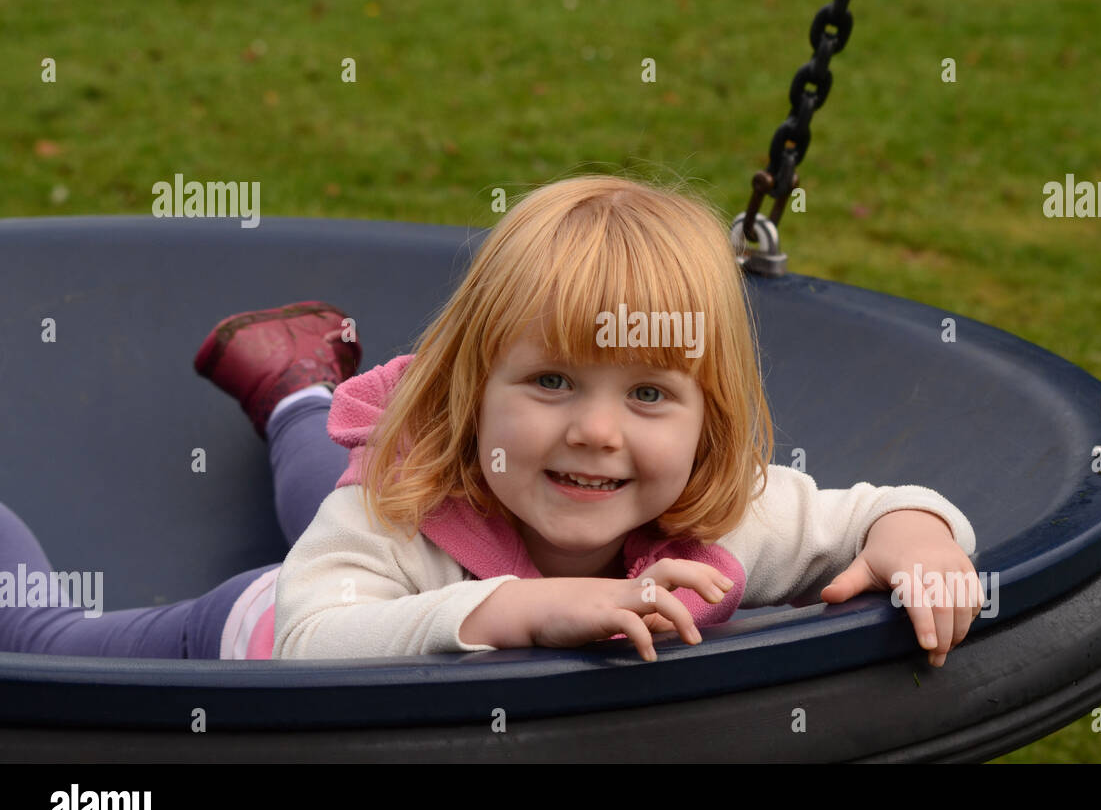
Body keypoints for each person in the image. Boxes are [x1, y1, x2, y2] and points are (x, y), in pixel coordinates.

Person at [0, 175, 981, 668]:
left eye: (648, 394)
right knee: (44, 640)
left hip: (404, 532)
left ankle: (297, 384)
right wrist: (516, 610)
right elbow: (308, 637)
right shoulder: (396, 507)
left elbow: (878, 512)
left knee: (339, 495)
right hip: (252, 633)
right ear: (466, 396)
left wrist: (921, 543)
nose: (597, 431)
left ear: (709, 424)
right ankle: (301, 394)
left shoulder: (725, 514)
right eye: (552, 382)